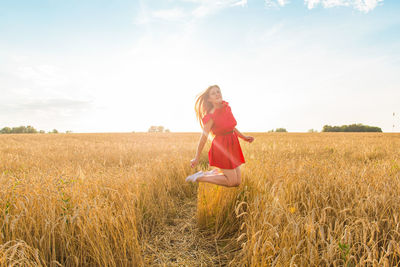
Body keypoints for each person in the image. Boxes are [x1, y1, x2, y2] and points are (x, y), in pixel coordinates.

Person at [186, 85, 254, 187]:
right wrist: (197, 157)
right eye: (213, 93)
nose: (217, 94)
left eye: (218, 91)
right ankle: (200, 177)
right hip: (222, 147)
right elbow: (203, 137)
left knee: (237, 182)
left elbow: (231, 127)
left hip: (232, 143)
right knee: (231, 181)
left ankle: (212, 173)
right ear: (209, 99)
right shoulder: (211, 116)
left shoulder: (226, 107)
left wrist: (244, 137)